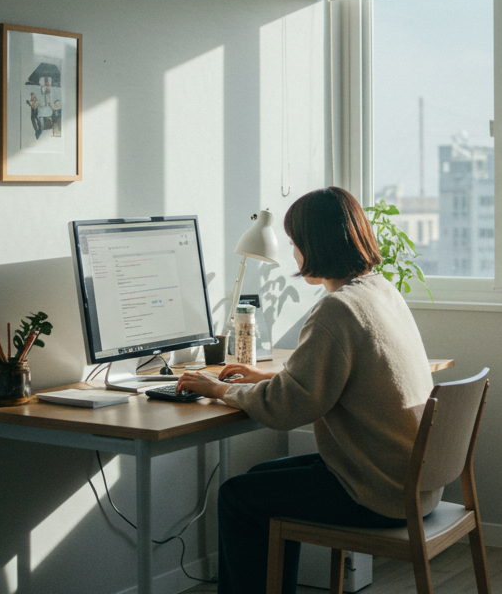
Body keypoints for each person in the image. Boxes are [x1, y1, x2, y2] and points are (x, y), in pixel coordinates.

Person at [176, 186, 437, 594]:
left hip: (377, 491)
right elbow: (329, 380)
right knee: (260, 480)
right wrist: (261, 378)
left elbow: (287, 409)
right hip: (413, 482)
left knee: (238, 498)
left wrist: (218, 389)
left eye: (296, 243)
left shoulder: (337, 310)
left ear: (315, 245)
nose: (294, 254)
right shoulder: (380, 291)